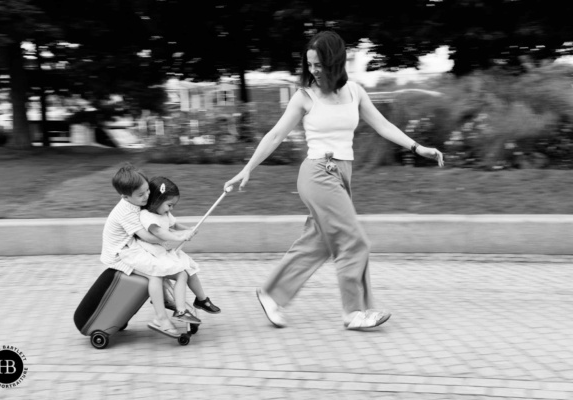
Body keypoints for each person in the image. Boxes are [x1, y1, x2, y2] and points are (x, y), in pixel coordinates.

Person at [224, 31, 444, 331]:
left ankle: (272, 295)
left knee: (319, 243)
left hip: (342, 174)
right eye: (310, 64)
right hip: (317, 173)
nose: (313, 70)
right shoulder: (305, 96)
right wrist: (247, 168)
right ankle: (355, 312)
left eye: (319, 64)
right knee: (354, 241)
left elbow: (383, 125)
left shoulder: (355, 92)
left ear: (335, 62)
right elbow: (275, 135)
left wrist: (418, 148)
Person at [100, 163, 197, 339]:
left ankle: (167, 300)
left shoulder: (136, 201)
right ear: (125, 196)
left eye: (147, 190)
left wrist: (181, 230)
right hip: (120, 254)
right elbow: (148, 237)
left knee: (166, 266)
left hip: (133, 247)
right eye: (141, 194)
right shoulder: (125, 212)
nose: (146, 196)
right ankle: (160, 319)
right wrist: (179, 237)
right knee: (155, 274)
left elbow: (161, 226)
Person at [136, 176, 221, 320]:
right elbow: (158, 232)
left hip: (163, 252)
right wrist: (180, 237)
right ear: (157, 200)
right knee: (183, 273)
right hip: (153, 256)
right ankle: (181, 311)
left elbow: (174, 225)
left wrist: (189, 230)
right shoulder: (146, 216)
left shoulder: (164, 213)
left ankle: (202, 299)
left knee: (189, 269)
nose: (172, 208)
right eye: (169, 205)